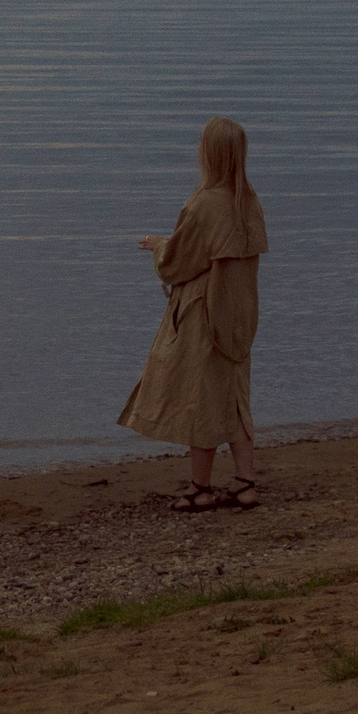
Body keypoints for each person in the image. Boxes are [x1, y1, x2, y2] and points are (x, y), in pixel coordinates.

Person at [118, 116, 269, 511]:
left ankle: (200, 487)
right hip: (239, 315)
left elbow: (178, 265)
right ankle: (245, 482)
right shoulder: (249, 203)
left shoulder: (203, 204)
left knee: (200, 399)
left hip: (204, 315)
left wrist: (158, 247)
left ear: (207, 154)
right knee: (235, 398)